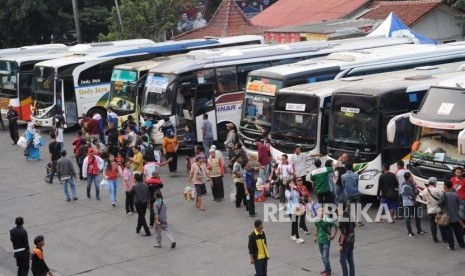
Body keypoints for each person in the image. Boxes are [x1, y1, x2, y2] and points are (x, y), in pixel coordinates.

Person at [439, 180, 465, 250]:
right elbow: (459, 204)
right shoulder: (456, 194)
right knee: (458, 231)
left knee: (449, 232)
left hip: (447, 216)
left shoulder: (443, 195)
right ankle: (462, 244)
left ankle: (451, 246)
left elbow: (439, 204)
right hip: (455, 216)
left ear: (445, 186)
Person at [401, 172, 426, 237]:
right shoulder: (405, 185)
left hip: (414, 203)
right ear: (408, 178)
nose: (412, 177)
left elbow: (416, 190)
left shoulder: (412, 183)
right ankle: (410, 232)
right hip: (408, 204)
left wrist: (415, 192)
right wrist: (415, 193)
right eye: (411, 176)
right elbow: (411, 195)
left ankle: (419, 230)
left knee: (417, 216)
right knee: (408, 218)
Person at [314, 211, 338, 276]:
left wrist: (333, 235)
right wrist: (315, 236)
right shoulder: (317, 220)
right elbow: (317, 227)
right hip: (320, 240)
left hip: (326, 240)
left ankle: (328, 271)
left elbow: (336, 226)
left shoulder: (327, 220)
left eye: (320, 212)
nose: (318, 213)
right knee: (323, 256)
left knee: (325, 257)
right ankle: (327, 269)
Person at [421, 177, 444, 243]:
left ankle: (435, 239)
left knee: (432, 225)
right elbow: (442, 198)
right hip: (437, 210)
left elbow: (424, 200)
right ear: (434, 182)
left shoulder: (425, 190)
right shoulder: (437, 190)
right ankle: (444, 238)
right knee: (441, 224)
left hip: (430, 210)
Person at [342, 162, 364, 226]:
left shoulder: (343, 176)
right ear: (352, 167)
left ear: (345, 168)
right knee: (358, 207)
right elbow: (357, 183)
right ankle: (359, 222)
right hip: (356, 193)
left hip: (348, 194)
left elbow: (343, 185)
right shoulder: (356, 175)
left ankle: (349, 222)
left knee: (348, 208)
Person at [339, 210, 356, 276]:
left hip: (345, 243)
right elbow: (354, 225)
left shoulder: (342, 218)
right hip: (351, 240)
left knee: (342, 260)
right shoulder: (349, 214)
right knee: (350, 260)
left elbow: (343, 232)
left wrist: (341, 244)